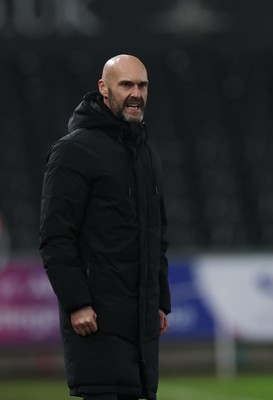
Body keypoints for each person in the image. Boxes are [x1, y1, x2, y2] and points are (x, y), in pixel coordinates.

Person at [39, 54, 171, 400]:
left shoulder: (146, 153)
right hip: (96, 319)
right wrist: (76, 303)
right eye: (126, 84)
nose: (136, 93)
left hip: (139, 320)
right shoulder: (73, 151)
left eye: (142, 85)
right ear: (104, 88)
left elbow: (156, 234)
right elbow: (56, 237)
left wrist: (160, 300)